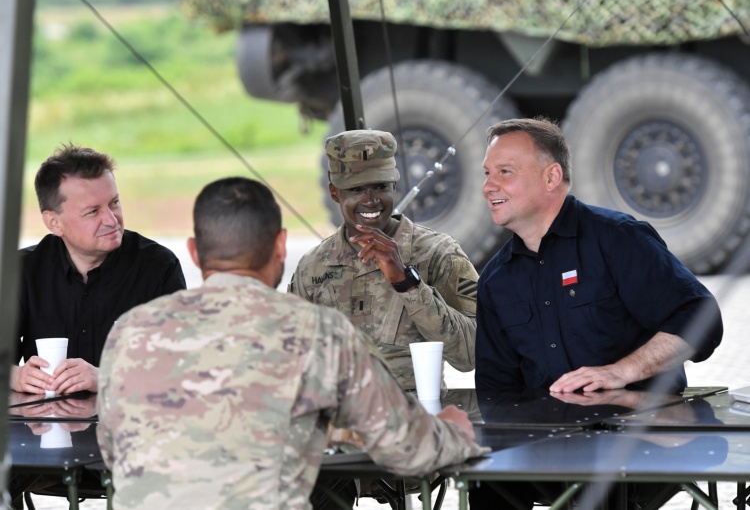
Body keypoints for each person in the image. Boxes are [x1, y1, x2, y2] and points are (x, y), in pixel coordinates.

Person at [96, 177, 487, 509]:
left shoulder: (130, 330)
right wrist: (452, 431)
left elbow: (112, 450)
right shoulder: (316, 331)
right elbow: (406, 445)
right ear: (281, 246)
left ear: (195, 252)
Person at [472, 117, 723, 508]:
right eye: (488, 173)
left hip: (638, 443)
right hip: (546, 452)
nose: (489, 185)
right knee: (483, 482)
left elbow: (701, 319)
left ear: (551, 176)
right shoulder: (495, 280)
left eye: (505, 172)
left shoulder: (617, 238)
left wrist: (621, 372)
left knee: (600, 486)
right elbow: (496, 393)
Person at [289, 129, 478, 389]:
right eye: (356, 189)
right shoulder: (312, 267)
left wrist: (408, 284)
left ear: (395, 186)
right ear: (335, 193)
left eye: (381, 187)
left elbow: (471, 355)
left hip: (416, 417)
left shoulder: (438, 253)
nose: (371, 200)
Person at [12, 144, 186, 396]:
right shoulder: (23, 271)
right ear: (54, 222)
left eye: (114, 203)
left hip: (130, 426)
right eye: (93, 211)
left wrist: (106, 376)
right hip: (41, 428)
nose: (111, 220)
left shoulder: (158, 266)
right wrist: (15, 376)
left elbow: (179, 369)